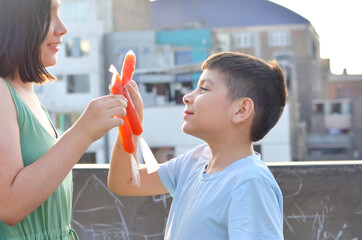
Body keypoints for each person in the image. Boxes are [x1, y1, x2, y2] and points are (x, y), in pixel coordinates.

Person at [108, 52, 287, 239]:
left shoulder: (250, 182)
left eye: (204, 89)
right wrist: (131, 123)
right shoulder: (194, 161)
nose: (187, 97)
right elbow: (125, 182)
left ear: (241, 110)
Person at [0, 0, 127, 239]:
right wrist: (84, 131)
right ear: (17, 22)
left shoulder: (27, 93)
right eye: (49, 16)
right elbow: (8, 206)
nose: (62, 28)